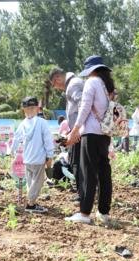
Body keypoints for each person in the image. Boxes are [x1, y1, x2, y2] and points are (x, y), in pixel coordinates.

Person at [65, 55, 115, 224]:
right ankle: (104, 212)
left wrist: (75, 130)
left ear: (91, 70)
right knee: (104, 173)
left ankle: (85, 213)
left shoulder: (91, 82)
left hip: (91, 134)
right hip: (104, 135)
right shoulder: (106, 86)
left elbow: (85, 108)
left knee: (88, 173)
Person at [11, 96, 54, 213]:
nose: (30, 110)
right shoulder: (42, 123)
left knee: (31, 182)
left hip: (27, 159)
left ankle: (32, 202)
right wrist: (50, 155)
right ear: (37, 108)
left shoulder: (23, 124)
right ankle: (30, 204)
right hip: (39, 159)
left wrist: (12, 151)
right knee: (38, 182)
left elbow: (16, 138)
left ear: (23, 109)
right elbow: (48, 140)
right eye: (30, 108)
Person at [49, 67, 84, 203]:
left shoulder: (73, 85)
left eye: (54, 85)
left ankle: (83, 194)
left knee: (77, 163)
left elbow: (83, 104)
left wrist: (76, 130)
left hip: (80, 132)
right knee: (77, 162)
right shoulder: (73, 83)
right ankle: (82, 192)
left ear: (57, 78)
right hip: (77, 131)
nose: (56, 88)